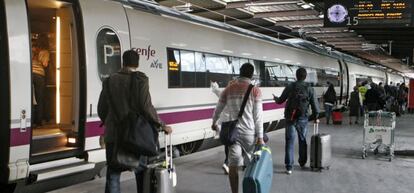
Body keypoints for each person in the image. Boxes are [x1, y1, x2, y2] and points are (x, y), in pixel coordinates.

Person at [98, 50, 172, 193]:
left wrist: (110, 123)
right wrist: (162, 125)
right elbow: (146, 107)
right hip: (136, 136)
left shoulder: (108, 81)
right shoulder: (140, 79)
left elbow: (101, 109)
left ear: (123, 62)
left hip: (114, 135)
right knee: (141, 173)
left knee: (113, 175)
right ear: (137, 63)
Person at [211, 63, 264, 193]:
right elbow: (258, 116)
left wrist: (214, 122)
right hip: (248, 132)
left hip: (233, 133)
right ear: (251, 75)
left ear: (240, 72)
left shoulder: (229, 89)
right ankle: (249, 190)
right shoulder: (255, 90)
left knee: (233, 165)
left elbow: (218, 109)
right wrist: (260, 136)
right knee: (251, 164)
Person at [273, 67, 320, 175]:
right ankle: (302, 162)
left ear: (296, 75)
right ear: (305, 76)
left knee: (289, 142)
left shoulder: (290, 86)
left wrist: (275, 98)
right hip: (303, 118)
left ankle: (289, 167)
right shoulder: (309, 88)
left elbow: (280, 101)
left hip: (290, 118)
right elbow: (315, 106)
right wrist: (316, 116)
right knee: (302, 140)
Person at [211, 80, 236, 175]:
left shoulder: (223, 93)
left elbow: (215, 90)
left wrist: (214, 84)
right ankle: (227, 163)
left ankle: (228, 162)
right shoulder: (236, 96)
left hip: (225, 122)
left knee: (227, 143)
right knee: (235, 143)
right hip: (234, 122)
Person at [32, 34, 50, 127]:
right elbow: (45, 64)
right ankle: (38, 121)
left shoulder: (33, 49)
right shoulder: (45, 52)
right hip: (39, 76)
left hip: (31, 75)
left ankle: (31, 120)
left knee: (32, 99)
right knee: (40, 99)